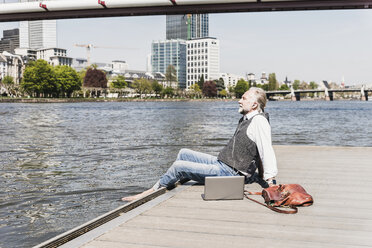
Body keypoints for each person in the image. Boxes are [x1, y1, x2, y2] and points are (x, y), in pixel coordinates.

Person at [122, 87, 278, 202]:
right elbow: (256, 152)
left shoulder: (259, 121)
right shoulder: (247, 119)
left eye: (243, 98)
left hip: (231, 173)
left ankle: (149, 192)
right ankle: (171, 180)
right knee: (184, 152)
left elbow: (266, 150)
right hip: (223, 164)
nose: (239, 100)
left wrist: (270, 181)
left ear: (254, 105)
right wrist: (260, 174)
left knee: (179, 166)